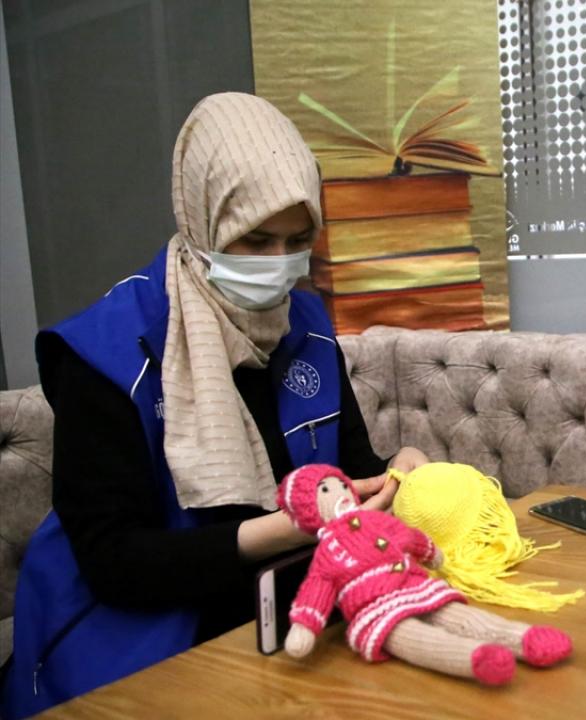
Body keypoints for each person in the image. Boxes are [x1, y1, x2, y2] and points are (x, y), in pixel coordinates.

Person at [1, 93, 431, 718]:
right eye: (255, 240)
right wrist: (282, 531)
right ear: (202, 220)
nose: (279, 266)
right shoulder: (103, 352)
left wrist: (400, 467)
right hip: (135, 640)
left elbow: (350, 467)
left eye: (297, 241)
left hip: (280, 616)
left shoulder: (306, 326)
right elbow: (113, 563)